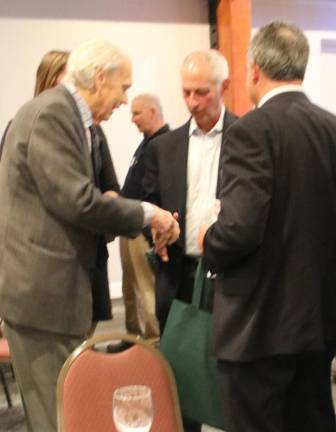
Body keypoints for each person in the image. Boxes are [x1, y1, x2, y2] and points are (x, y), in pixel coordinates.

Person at [0, 39, 179, 432]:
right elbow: (78, 202)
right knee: (55, 417)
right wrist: (149, 213)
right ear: (100, 78)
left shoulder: (72, 119)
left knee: (67, 412)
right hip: (42, 299)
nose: (123, 99)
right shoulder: (51, 115)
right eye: (123, 87)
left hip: (58, 295)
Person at [200, 21, 336, 432]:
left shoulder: (251, 130)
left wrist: (209, 238)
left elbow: (240, 229)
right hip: (318, 323)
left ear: (254, 70)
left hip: (257, 330)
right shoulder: (331, 128)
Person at [142, 49, 237, 432]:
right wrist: (156, 228)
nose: (193, 102)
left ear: (223, 87)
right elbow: (148, 204)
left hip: (232, 278)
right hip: (179, 273)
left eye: (202, 92)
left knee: (230, 376)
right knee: (180, 378)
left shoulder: (249, 137)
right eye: (186, 92)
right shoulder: (164, 147)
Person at [0, 50, 120, 332]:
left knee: (83, 354)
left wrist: (108, 204)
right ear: (49, 82)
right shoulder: (25, 126)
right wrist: (142, 215)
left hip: (89, 256)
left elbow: (111, 187)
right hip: (46, 272)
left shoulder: (94, 132)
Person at [111, 94, 169, 349]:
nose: (132, 119)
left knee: (146, 288)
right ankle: (134, 338)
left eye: (137, 113)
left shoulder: (165, 143)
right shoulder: (146, 143)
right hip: (129, 224)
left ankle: (152, 343)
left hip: (143, 228)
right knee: (131, 286)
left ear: (153, 111)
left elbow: (156, 191)